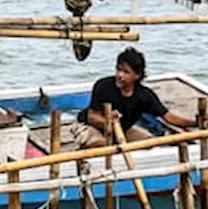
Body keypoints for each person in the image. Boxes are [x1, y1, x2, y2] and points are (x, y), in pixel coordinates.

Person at [69, 47, 197, 148]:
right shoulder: (103, 86)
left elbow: (168, 117)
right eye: (118, 70)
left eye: (125, 72)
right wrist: (109, 121)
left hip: (122, 130)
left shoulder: (144, 96)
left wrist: (195, 123)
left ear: (137, 75)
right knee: (100, 146)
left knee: (150, 144)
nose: (120, 75)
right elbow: (92, 117)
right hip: (89, 126)